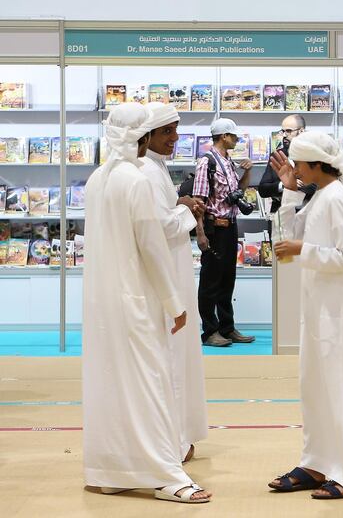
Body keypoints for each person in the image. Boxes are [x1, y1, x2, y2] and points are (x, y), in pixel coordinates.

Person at [82, 103, 211, 504]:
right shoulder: (135, 181)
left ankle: (111, 470)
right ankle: (166, 476)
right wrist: (175, 303)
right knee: (151, 382)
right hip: (135, 297)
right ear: (141, 137)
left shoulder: (95, 179)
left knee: (109, 381)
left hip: (101, 302)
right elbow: (153, 249)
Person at [267, 131, 343, 500]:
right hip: (316, 310)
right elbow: (286, 241)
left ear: (316, 164)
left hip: (336, 314)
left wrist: (305, 249)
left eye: (299, 164)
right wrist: (289, 191)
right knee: (314, 388)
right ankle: (317, 461)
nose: (295, 169)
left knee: (340, 389)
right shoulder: (321, 197)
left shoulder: (337, 199)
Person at [140, 102, 209, 464]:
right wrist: (185, 210)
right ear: (146, 134)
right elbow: (162, 226)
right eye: (167, 131)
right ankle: (174, 438)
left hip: (175, 272)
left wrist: (180, 203)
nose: (175, 138)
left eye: (176, 129)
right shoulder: (147, 171)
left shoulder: (156, 167)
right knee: (172, 356)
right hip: (167, 277)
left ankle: (179, 433)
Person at [193, 118, 255, 346]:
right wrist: (200, 233)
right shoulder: (206, 163)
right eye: (234, 136)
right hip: (214, 228)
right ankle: (209, 331)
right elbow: (198, 201)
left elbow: (238, 191)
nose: (236, 139)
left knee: (228, 280)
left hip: (230, 227)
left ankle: (227, 328)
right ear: (223, 137)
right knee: (210, 281)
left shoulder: (228, 162)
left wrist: (247, 172)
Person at [257, 114, 316, 221]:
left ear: (301, 131)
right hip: (279, 216)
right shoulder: (276, 155)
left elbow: (319, 187)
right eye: (282, 131)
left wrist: (296, 184)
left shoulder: (313, 155)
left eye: (288, 131)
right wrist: (283, 185)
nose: (284, 135)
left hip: (308, 216)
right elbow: (263, 189)